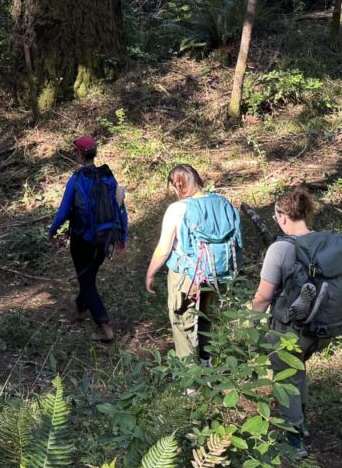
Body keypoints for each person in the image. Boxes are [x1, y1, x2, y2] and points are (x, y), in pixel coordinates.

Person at [249, 185, 342, 453]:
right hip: (324, 326)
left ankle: (293, 438)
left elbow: (263, 296)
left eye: (276, 218)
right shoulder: (326, 242)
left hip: (292, 328)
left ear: (282, 217)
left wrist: (249, 323)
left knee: (287, 377)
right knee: (297, 371)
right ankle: (300, 420)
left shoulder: (280, 249)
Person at [144, 164, 241, 361]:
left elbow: (164, 248)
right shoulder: (223, 202)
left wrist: (150, 273)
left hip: (186, 275)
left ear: (178, 185)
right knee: (204, 314)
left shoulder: (178, 209)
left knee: (180, 320)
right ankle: (206, 361)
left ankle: (190, 381)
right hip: (215, 271)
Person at [46, 136, 128, 342]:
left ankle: (104, 325)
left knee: (87, 280)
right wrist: (122, 236)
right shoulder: (108, 177)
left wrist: (52, 231)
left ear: (79, 154)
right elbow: (120, 208)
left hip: (82, 239)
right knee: (89, 275)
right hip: (106, 237)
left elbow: (63, 211)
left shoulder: (77, 179)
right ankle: (81, 305)